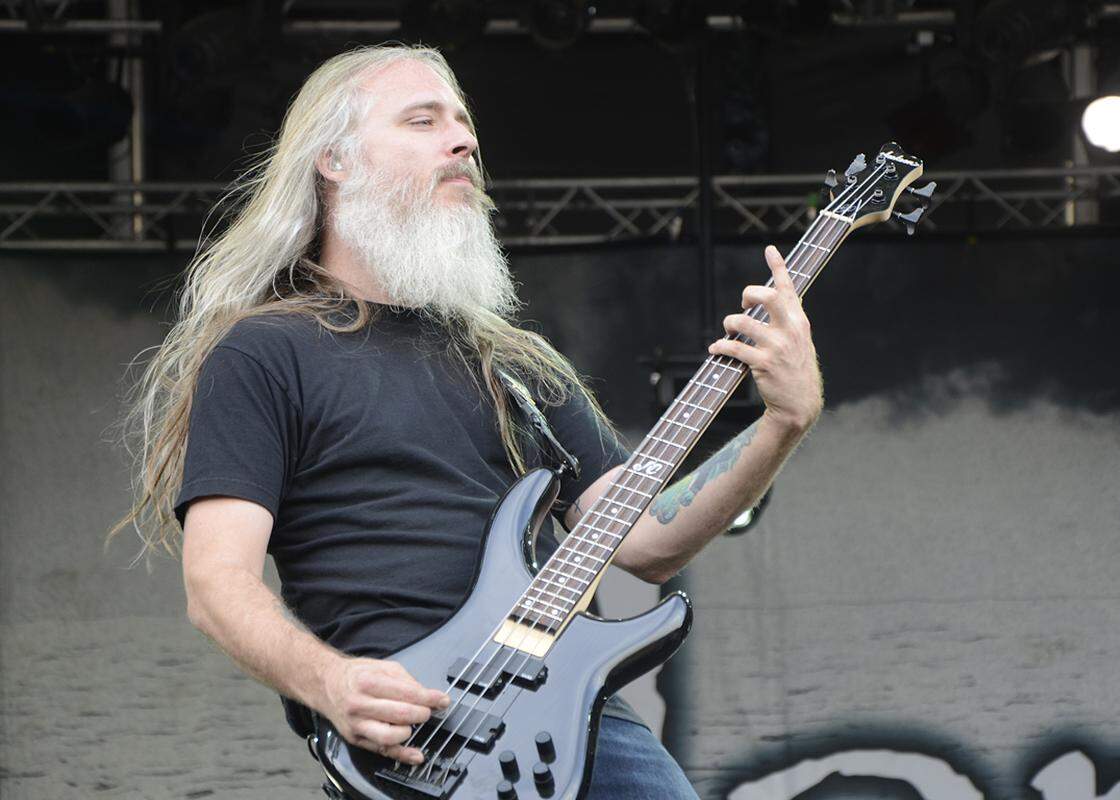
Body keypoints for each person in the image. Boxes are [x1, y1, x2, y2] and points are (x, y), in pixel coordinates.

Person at [109, 44, 823, 798]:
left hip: (573, 709)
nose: (463, 141)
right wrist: (332, 682)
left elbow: (649, 540)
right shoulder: (265, 352)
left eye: (464, 124)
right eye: (422, 120)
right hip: (421, 729)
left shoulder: (518, 362)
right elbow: (217, 583)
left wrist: (783, 422)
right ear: (336, 163)